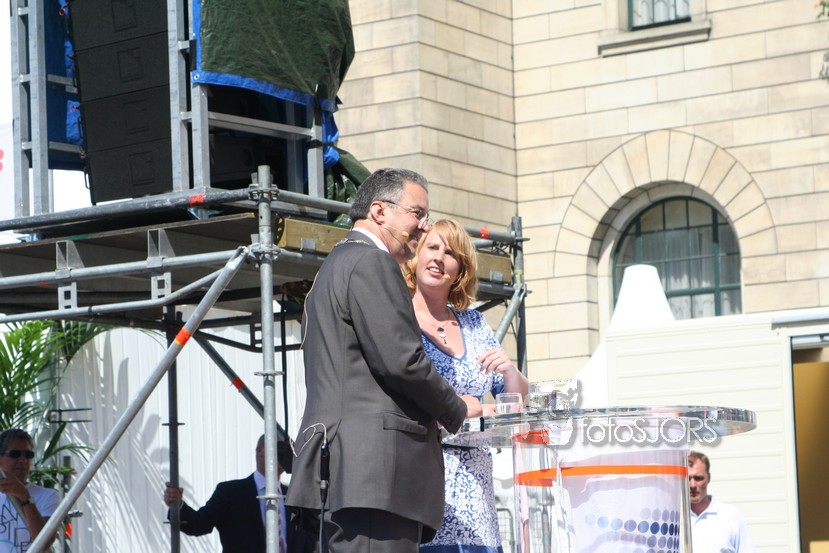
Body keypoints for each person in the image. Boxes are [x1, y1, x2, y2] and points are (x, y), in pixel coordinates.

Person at [286, 168, 482, 553]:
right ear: (379, 211)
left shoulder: (335, 266)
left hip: (351, 475)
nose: (425, 226)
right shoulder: (372, 263)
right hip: (375, 476)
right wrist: (456, 409)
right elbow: (402, 362)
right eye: (417, 213)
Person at [403, 219, 529, 553]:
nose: (438, 258)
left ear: (460, 270)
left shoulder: (474, 322)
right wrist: (469, 406)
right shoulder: (399, 319)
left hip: (477, 490)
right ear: (415, 256)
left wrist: (510, 371)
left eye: (450, 253)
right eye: (432, 247)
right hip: (425, 480)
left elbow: (517, 401)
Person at [164, 434, 314, 553]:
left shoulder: (295, 497)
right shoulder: (230, 493)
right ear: (260, 451)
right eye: (279, 448)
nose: (284, 454)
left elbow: (310, 540)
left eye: (288, 450)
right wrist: (177, 505)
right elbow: (200, 524)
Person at [0, 428, 60, 553]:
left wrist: (25, 497)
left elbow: (44, 543)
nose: (23, 460)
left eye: (28, 455)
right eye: (15, 454)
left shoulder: (48, 496)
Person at [688, 451, 754, 553]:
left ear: (709, 478)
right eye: (687, 478)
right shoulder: (673, 518)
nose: (692, 485)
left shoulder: (731, 516)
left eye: (698, 478)